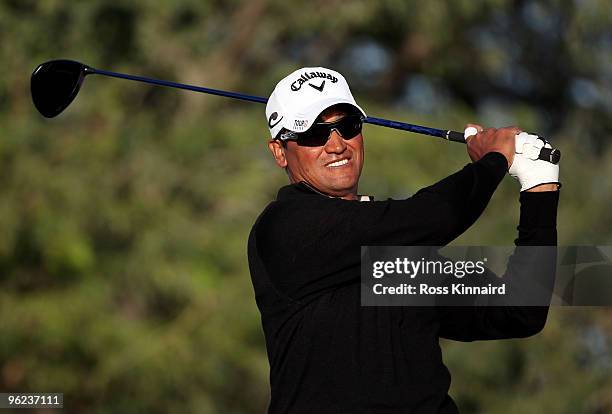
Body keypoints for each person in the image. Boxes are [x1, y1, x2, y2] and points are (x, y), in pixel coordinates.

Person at [247, 67, 560, 413]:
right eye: (313, 135)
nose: (336, 145)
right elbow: (433, 217)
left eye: (348, 126)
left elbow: (520, 310)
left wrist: (539, 189)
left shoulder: (397, 254)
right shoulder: (285, 227)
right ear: (279, 151)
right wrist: (495, 159)